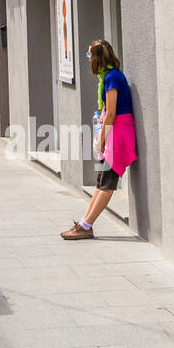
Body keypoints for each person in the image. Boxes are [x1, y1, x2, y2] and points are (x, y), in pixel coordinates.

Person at [62, 41, 137, 241]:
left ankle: (86, 226)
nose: (88, 60)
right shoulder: (107, 77)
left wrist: (101, 139)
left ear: (97, 58)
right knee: (101, 181)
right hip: (113, 130)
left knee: (108, 183)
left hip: (118, 132)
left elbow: (111, 113)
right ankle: (84, 222)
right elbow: (105, 110)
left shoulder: (112, 78)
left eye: (89, 56)